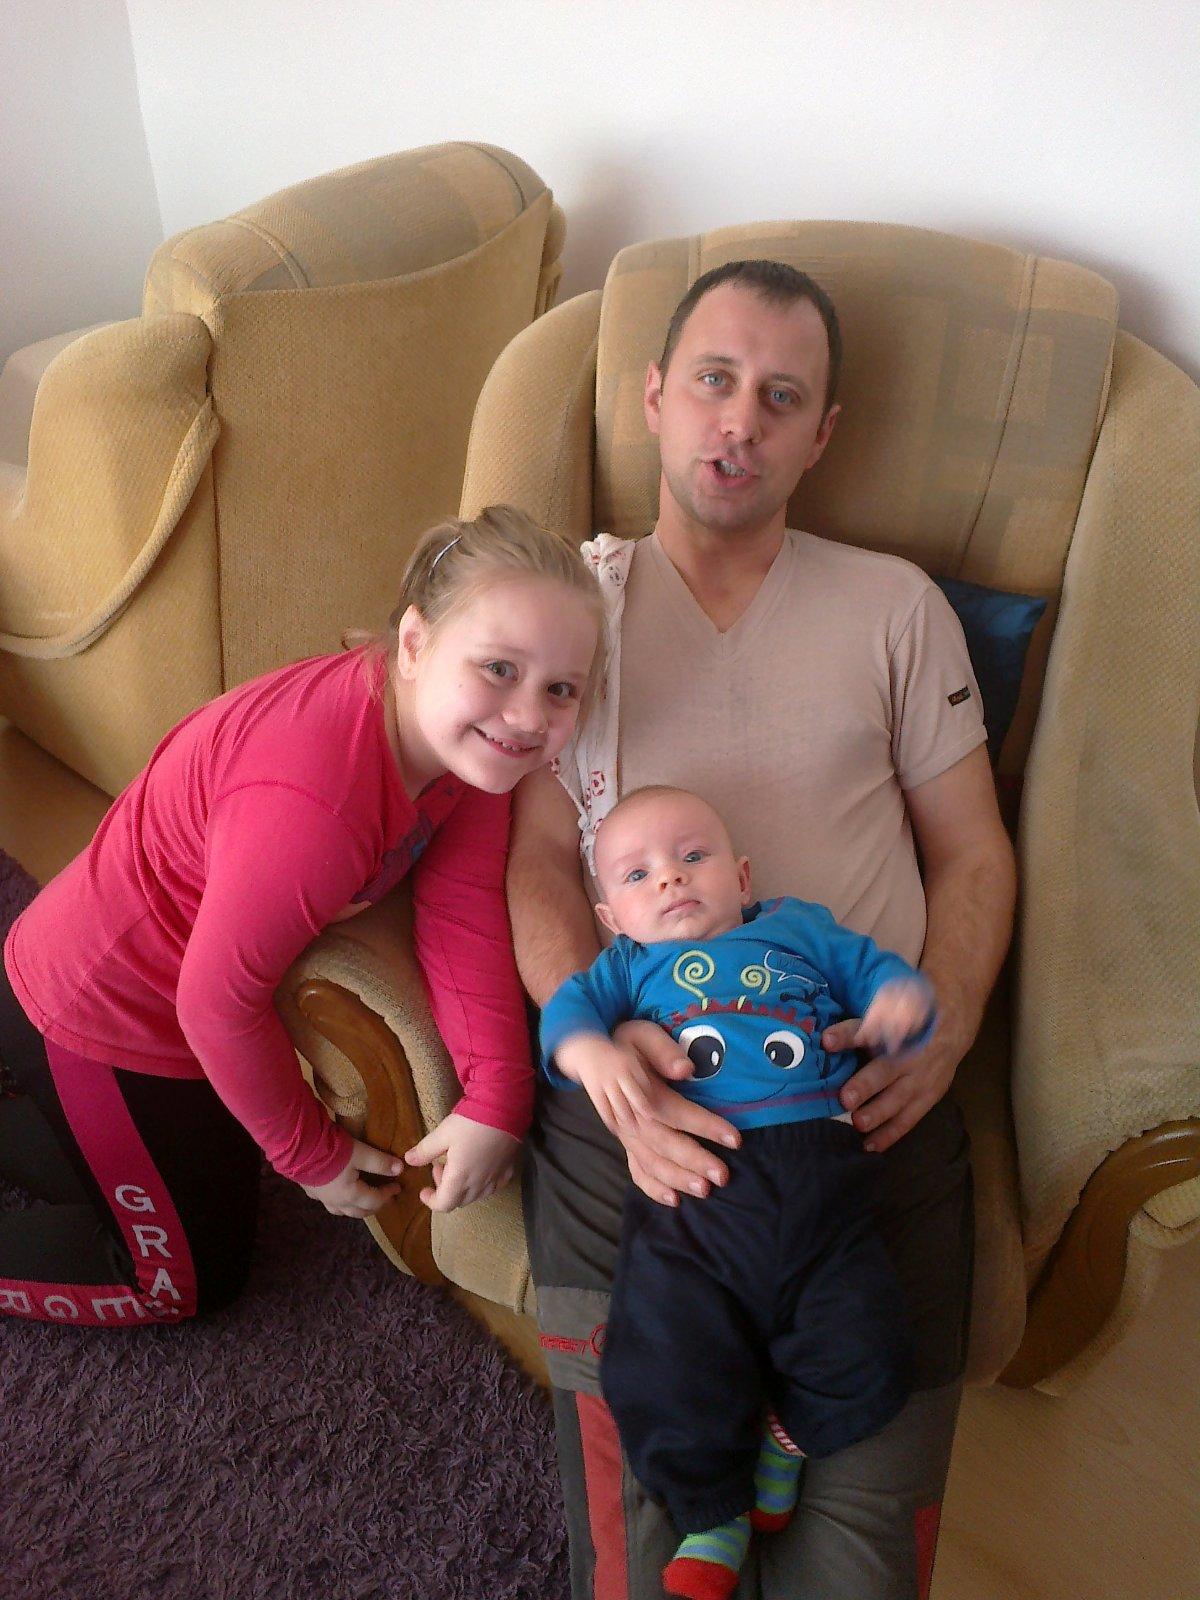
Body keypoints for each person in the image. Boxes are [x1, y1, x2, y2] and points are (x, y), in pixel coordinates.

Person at [507, 260, 1017, 1599]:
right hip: (643, 1101)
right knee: (649, 1530)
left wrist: (946, 1025)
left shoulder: (894, 606)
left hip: (863, 1099)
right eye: (715, 381)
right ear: (654, 397)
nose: (741, 420)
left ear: (822, 434)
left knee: (859, 1542)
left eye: (782, 397)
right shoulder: (577, 610)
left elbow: (972, 851)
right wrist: (597, 1058)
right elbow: (540, 863)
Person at [0, 505, 602, 1327]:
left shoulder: (471, 750)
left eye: (560, 689)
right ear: (415, 643)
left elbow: (462, 909)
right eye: (499, 668)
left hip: (175, 1003)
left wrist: (500, 1093)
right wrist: (310, 1156)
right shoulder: (317, 804)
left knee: (195, 1184)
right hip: (99, 1013)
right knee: (186, 1279)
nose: (530, 716)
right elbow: (213, 1007)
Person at [541, 784, 936, 1600]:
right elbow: (566, 1017)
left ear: (743, 876)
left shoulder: (800, 929)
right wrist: (594, 1054)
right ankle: (712, 1511)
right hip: (694, 1201)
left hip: (827, 1190)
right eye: (638, 874)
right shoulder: (626, 969)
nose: (670, 878)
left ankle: (787, 1440)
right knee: (656, 1361)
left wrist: (902, 1002)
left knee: (874, 1350)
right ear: (611, 916)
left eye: (694, 856)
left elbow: (876, 973)